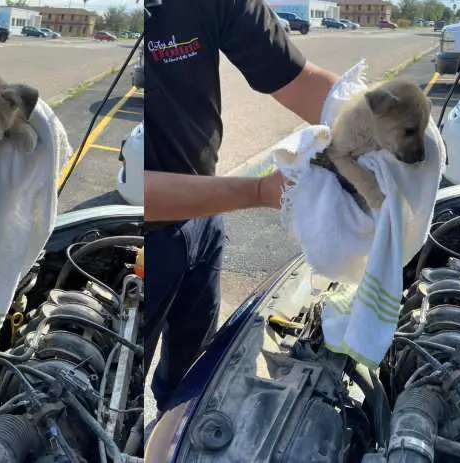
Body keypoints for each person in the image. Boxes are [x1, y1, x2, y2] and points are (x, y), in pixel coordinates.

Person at [143, 0, 340, 414]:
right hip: (144, 237)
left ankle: (173, 426)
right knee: (118, 380)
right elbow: (143, 193)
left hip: (205, 220)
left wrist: (387, 119)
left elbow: (301, 82)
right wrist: (259, 192)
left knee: (192, 378)